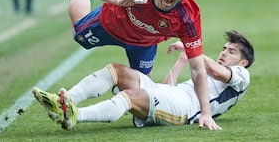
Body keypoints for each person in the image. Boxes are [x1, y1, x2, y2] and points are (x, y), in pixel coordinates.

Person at [67, 0, 217, 129]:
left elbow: (198, 70)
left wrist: (206, 113)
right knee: (79, 32)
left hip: (144, 43)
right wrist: (118, 0)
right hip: (113, 23)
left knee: (142, 91)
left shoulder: (189, 18)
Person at [32, 30, 255, 131]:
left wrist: (193, 50)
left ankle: (75, 116)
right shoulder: (206, 69)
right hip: (173, 98)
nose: (224, 52)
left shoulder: (242, 76)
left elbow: (218, 72)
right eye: (224, 48)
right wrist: (181, 62)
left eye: (232, 52)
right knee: (118, 70)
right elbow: (168, 89)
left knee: (130, 97)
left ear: (243, 62)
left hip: (184, 111)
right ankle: (65, 100)